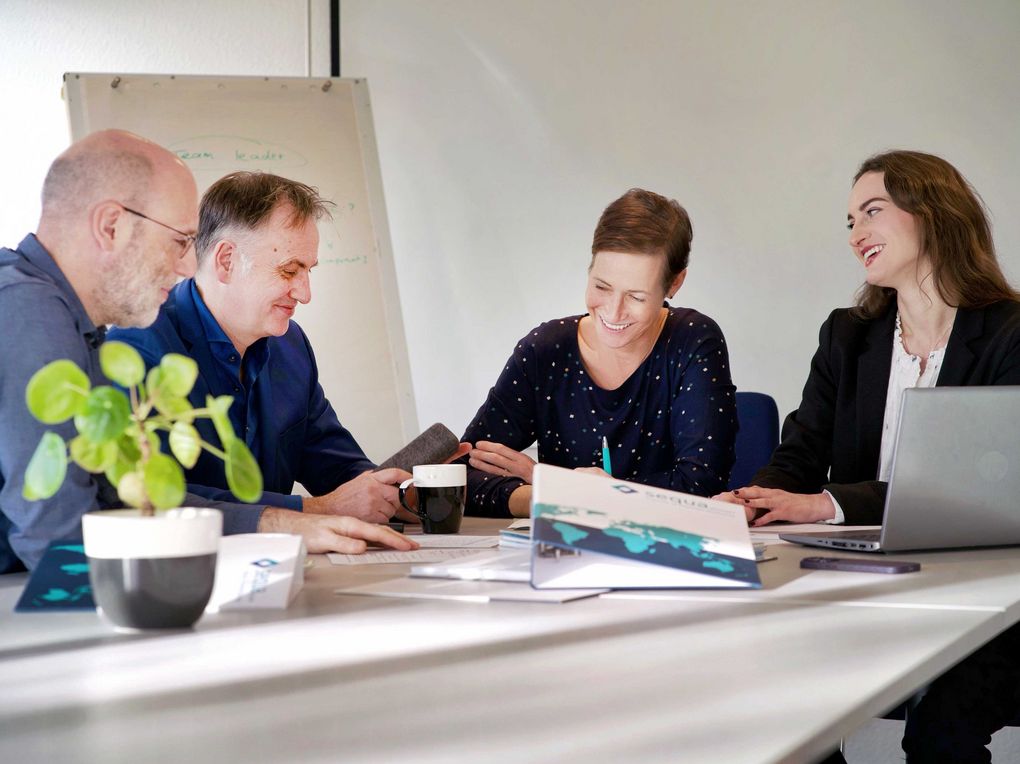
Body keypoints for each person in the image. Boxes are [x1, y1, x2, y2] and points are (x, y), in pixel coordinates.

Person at [716, 150, 1020, 763]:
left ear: (932, 212)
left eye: (872, 212)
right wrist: (755, 500)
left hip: (986, 595)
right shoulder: (846, 334)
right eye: (850, 221)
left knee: (941, 726)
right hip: (864, 583)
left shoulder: (1010, 333)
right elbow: (800, 453)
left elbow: (968, 486)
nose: (856, 234)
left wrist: (825, 504)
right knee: (774, 691)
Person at [0, 131, 415, 574]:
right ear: (111, 226)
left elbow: (111, 500)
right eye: (179, 240)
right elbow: (58, 537)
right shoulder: (28, 310)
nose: (186, 265)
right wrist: (285, 522)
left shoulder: (59, 317)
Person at [109, 171, 446, 525]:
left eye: (308, 271)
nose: (305, 293)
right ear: (226, 261)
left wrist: (404, 493)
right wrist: (314, 510)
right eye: (289, 271)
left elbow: (338, 471)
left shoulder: (291, 345)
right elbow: (150, 501)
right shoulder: (136, 348)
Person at [462, 188, 737, 518]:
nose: (613, 311)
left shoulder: (693, 341)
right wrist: (549, 495)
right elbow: (459, 474)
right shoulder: (544, 351)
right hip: (566, 542)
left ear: (674, 284)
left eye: (636, 297)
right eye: (601, 287)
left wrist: (562, 486)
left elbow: (701, 485)